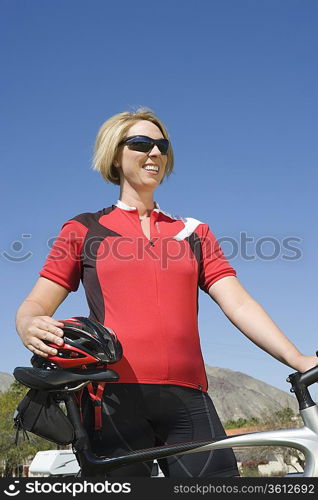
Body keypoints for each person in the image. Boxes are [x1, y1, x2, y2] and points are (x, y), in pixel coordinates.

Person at [15, 108, 318, 478]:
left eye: (162, 145)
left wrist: (297, 358)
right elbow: (36, 303)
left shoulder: (194, 232)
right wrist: (28, 324)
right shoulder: (83, 229)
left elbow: (237, 301)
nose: (155, 153)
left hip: (188, 398)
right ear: (114, 154)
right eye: (141, 143)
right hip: (111, 398)